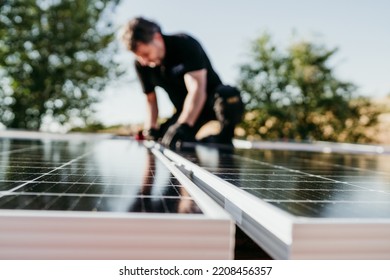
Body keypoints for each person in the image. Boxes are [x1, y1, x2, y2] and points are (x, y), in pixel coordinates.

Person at [120, 17, 244, 148]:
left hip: (210, 102)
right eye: (139, 57)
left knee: (229, 95)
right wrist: (151, 128)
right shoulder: (141, 64)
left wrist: (184, 125)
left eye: (146, 54)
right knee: (168, 137)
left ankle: (224, 138)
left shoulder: (184, 44)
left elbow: (196, 89)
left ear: (157, 38)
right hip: (184, 110)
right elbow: (150, 99)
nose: (144, 61)